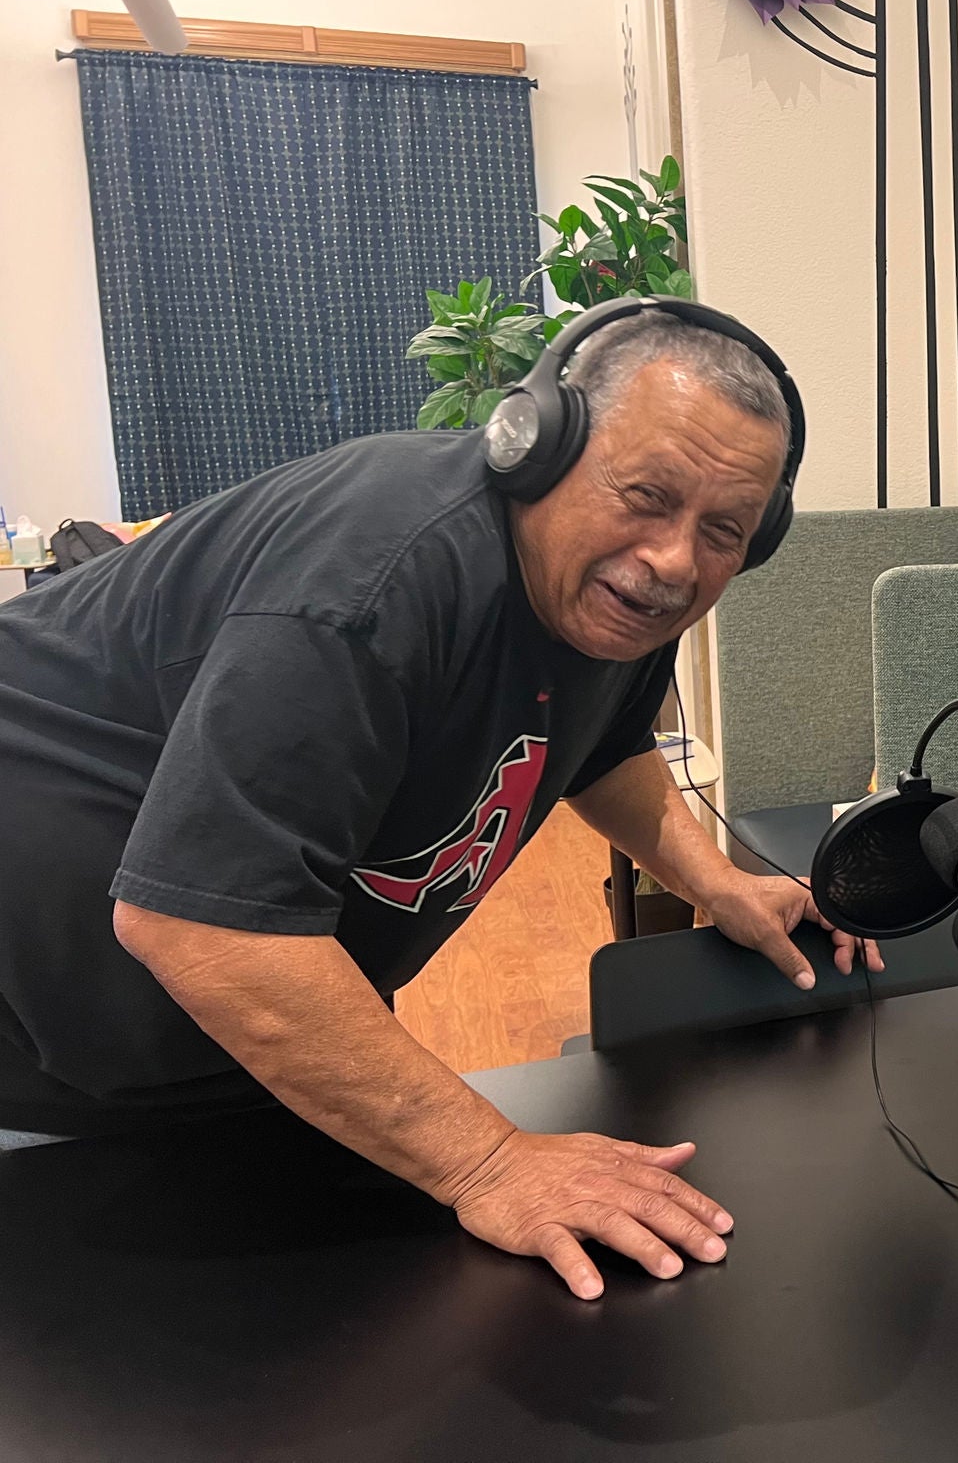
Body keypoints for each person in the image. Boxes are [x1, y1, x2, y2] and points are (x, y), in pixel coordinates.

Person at [0, 299, 877, 1300]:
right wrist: (489, 1161)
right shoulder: (371, 589)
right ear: (534, 450)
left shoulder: (614, 594)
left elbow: (602, 744)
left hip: (227, 1042)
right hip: (41, 1016)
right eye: (644, 494)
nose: (675, 560)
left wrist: (713, 880)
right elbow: (200, 930)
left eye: (721, 531)